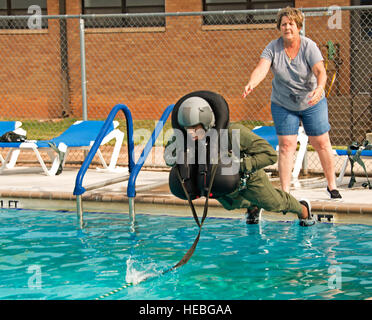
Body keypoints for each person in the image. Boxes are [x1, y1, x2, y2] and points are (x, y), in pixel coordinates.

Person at [165, 91, 316, 226]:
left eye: (195, 129)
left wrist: (240, 166)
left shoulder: (233, 132)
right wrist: (179, 151)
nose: (191, 133)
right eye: (187, 129)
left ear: (206, 123)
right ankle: (253, 207)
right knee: (231, 205)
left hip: (250, 179)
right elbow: (168, 159)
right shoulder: (184, 137)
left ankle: (303, 209)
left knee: (274, 204)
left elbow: (269, 154)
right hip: (223, 182)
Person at [242, 7, 342, 200]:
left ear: (298, 26)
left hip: (312, 100)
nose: (287, 27)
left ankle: (332, 186)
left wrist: (320, 88)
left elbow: (321, 72)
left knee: (320, 142)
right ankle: (285, 192)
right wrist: (251, 83)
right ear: (279, 27)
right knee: (287, 145)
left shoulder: (308, 46)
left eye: (291, 24)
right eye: (284, 24)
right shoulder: (273, 47)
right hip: (283, 103)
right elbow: (262, 68)